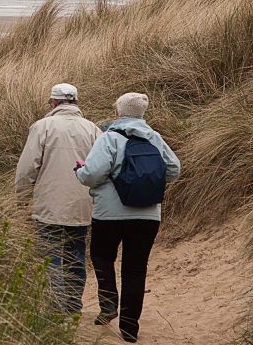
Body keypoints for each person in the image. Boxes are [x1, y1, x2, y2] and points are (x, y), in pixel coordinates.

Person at [76, 92, 182, 342]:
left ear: (118, 112)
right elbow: (174, 169)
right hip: (147, 214)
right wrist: (148, 180)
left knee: (102, 256)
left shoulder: (109, 138)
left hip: (109, 214)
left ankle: (108, 303)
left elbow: (91, 175)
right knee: (135, 269)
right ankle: (129, 328)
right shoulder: (155, 138)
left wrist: (80, 172)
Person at [14, 83, 101, 315]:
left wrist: (21, 195)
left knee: (50, 256)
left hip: (48, 204)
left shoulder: (42, 127)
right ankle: (73, 306)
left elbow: (27, 167)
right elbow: (101, 167)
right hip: (82, 204)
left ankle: (55, 307)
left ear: (53, 103)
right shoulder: (92, 129)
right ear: (76, 102)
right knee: (75, 255)